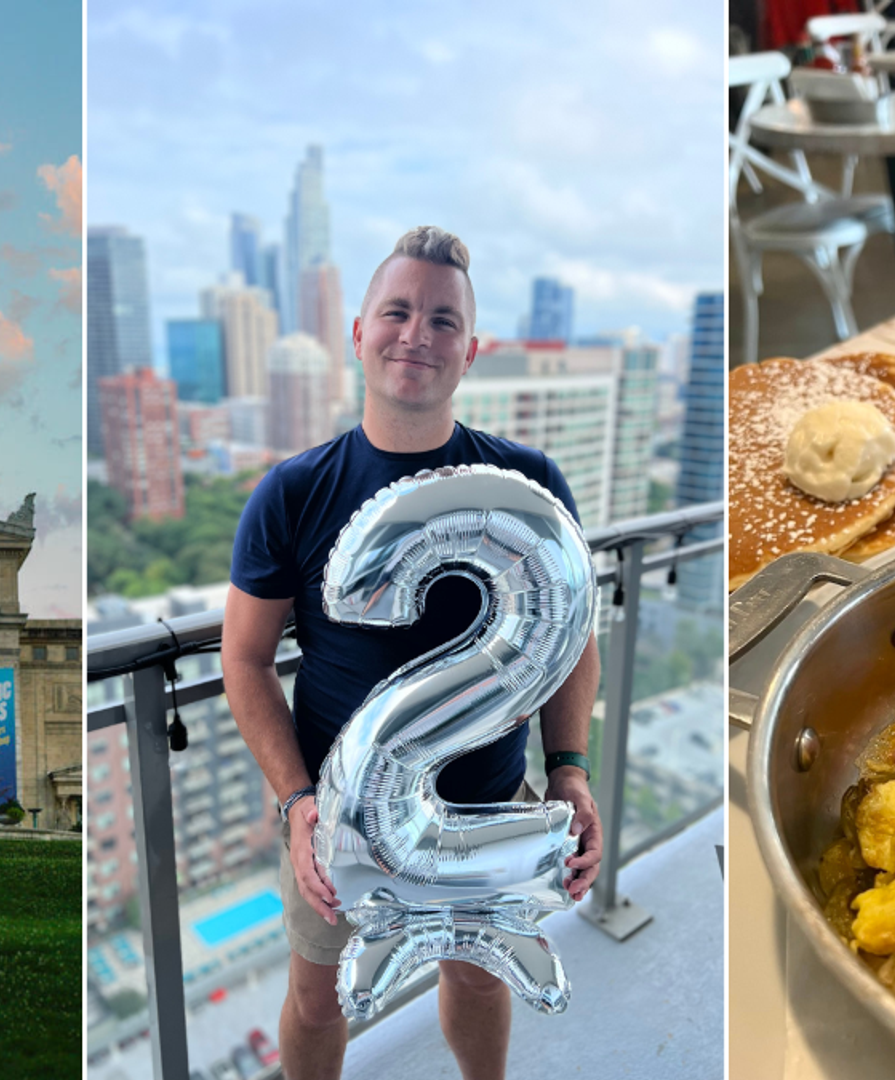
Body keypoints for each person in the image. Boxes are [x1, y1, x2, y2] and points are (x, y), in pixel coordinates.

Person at [221, 225, 603, 1080]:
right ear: (358, 335)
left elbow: (574, 638)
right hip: (334, 820)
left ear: (471, 350)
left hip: (491, 805)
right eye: (396, 312)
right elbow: (244, 660)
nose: (416, 335)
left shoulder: (529, 483)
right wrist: (295, 805)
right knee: (320, 998)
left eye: (442, 320)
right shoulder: (291, 492)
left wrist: (570, 770)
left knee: (478, 976)